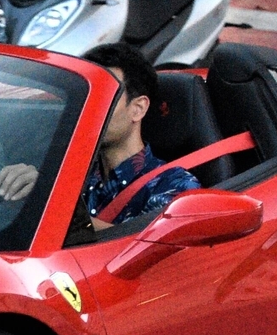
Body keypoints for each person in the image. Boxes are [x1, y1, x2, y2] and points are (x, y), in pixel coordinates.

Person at [76, 43, 198, 231]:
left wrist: (67, 220)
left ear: (137, 109)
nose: (88, 109)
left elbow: (151, 245)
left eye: (103, 97)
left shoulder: (174, 185)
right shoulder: (73, 172)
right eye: (86, 97)